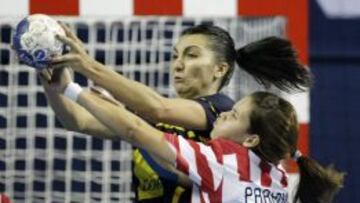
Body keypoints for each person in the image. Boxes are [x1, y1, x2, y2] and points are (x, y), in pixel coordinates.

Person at [41, 23, 312, 202]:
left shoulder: (223, 113)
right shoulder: (156, 117)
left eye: (192, 55)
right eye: (175, 56)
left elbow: (155, 108)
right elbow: (78, 121)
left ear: (220, 68)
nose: (178, 65)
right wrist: (56, 86)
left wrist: (88, 66)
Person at [57, 86, 346, 203]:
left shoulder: (223, 160)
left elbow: (134, 131)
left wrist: (71, 89)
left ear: (251, 139)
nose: (222, 114)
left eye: (233, 115)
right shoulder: (280, 180)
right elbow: (180, 171)